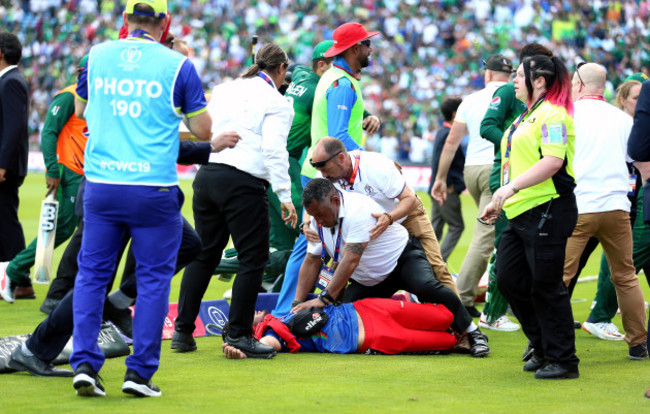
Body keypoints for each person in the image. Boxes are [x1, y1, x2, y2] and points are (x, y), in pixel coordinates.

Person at [71, 0, 212, 398]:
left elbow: (81, 110)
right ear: (165, 22)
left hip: (102, 184)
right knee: (152, 282)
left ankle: (84, 364)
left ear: (125, 20)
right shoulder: (177, 65)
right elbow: (203, 128)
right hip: (152, 187)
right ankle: (139, 374)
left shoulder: (95, 56)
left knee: (92, 276)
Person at [171, 43, 297, 359]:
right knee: (253, 257)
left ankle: (183, 331)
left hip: (208, 175)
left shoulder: (225, 88)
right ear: (281, 69)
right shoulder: (277, 102)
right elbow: (273, 151)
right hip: (243, 181)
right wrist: (284, 195)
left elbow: (200, 126)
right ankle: (239, 332)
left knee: (206, 253)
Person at [292, 179, 490, 357]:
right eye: (313, 216)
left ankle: (473, 333)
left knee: (427, 286)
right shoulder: (316, 222)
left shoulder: (357, 210)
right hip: (370, 279)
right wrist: (297, 305)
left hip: (402, 260)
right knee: (351, 319)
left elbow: (350, 260)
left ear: (336, 201)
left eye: (320, 214)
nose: (318, 221)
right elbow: (311, 260)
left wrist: (323, 298)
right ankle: (431, 331)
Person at [481, 55, 579, 379]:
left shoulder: (553, 114)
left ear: (538, 81)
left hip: (548, 209)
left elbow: (552, 162)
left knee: (547, 286)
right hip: (520, 211)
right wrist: (501, 198)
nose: (513, 79)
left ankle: (563, 360)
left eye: (519, 75)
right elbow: (518, 161)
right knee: (509, 280)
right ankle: (541, 345)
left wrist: (508, 189)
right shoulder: (526, 115)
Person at [279, 22, 382, 319]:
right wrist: (371, 160)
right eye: (366, 44)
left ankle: (292, 307)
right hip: (329, 175)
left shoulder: (334, 78)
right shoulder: (342, 84)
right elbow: (338, 135)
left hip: (321, 171)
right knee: (309, 245)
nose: (370, 49)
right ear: (354, 49)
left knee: (313, 244)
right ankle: (288, 311)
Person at [561, 63, 648, 360]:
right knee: (625, 276)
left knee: (560, 276)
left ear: (580, 84)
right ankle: (638, 342)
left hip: (579, 206)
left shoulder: (567, 114)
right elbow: (636, 162)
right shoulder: (623, 120)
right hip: (617, 208)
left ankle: (547, 341)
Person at [308, 137, 459, 296]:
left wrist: (389, 218)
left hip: (405, 215)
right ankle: (345, 317)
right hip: (370, 226)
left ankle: (461, 319)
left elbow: (410, 199)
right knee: (347, 275)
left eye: (325, 168)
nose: (323, 174)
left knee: (436, 267)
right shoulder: (325, 176)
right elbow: (312, 199)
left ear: (341, 158)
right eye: (319, 169)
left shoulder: (375, 166)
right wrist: (305, 224)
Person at [477, 44, 553, 334]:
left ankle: (526, 308)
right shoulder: (510, 90)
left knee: (525, 244)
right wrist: (513, 147)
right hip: (509, 175)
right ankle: (491, 313)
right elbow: (487, 126)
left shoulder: (541, 98)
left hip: (529, 177)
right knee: (507, 244)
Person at [0, 56, 88, 304]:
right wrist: (52, 169)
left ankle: (71, 285)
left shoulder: (97, 100)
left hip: (88, 172)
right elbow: (48, 131)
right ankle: (13, 270)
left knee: (82, 230)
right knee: (62, 228)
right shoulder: (69, 96)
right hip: (68, 170)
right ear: (82, 73)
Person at [431, 54, 513, 318]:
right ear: (509, 75)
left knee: (494, 235)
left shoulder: (469, 100)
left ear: (487, 74)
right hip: (496, 168)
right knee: (486, 237)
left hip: (471, 170)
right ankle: (463, 296)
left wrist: (440, 179)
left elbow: (451, 143)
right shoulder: (513, 95)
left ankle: (495, 293)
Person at [223, 298, 459, 358]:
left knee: (446, 316)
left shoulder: (277, 317)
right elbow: (268, 347)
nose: (251, 311)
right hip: (371, 336)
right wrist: (241, 351)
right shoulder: (270, 332)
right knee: (449, 342)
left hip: (368, 309)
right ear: (245, 331)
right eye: (242, 317)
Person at [0, 32, 30, 302]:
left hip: (5, 168)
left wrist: (2, 165)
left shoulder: (11, 82)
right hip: (5, 165)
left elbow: (14, 127)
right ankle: (8, 280)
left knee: (6, 221)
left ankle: (21, 281)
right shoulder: (9, 80)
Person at [429, 97, 465, 262]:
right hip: (445, 188)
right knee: (457, 226)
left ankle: (424, 265)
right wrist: (448, 184)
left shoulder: (442, 131)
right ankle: (437, 265)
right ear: (455, 113)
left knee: (434, 229)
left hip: (437, 187)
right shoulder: (449, 134)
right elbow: (440, 161)